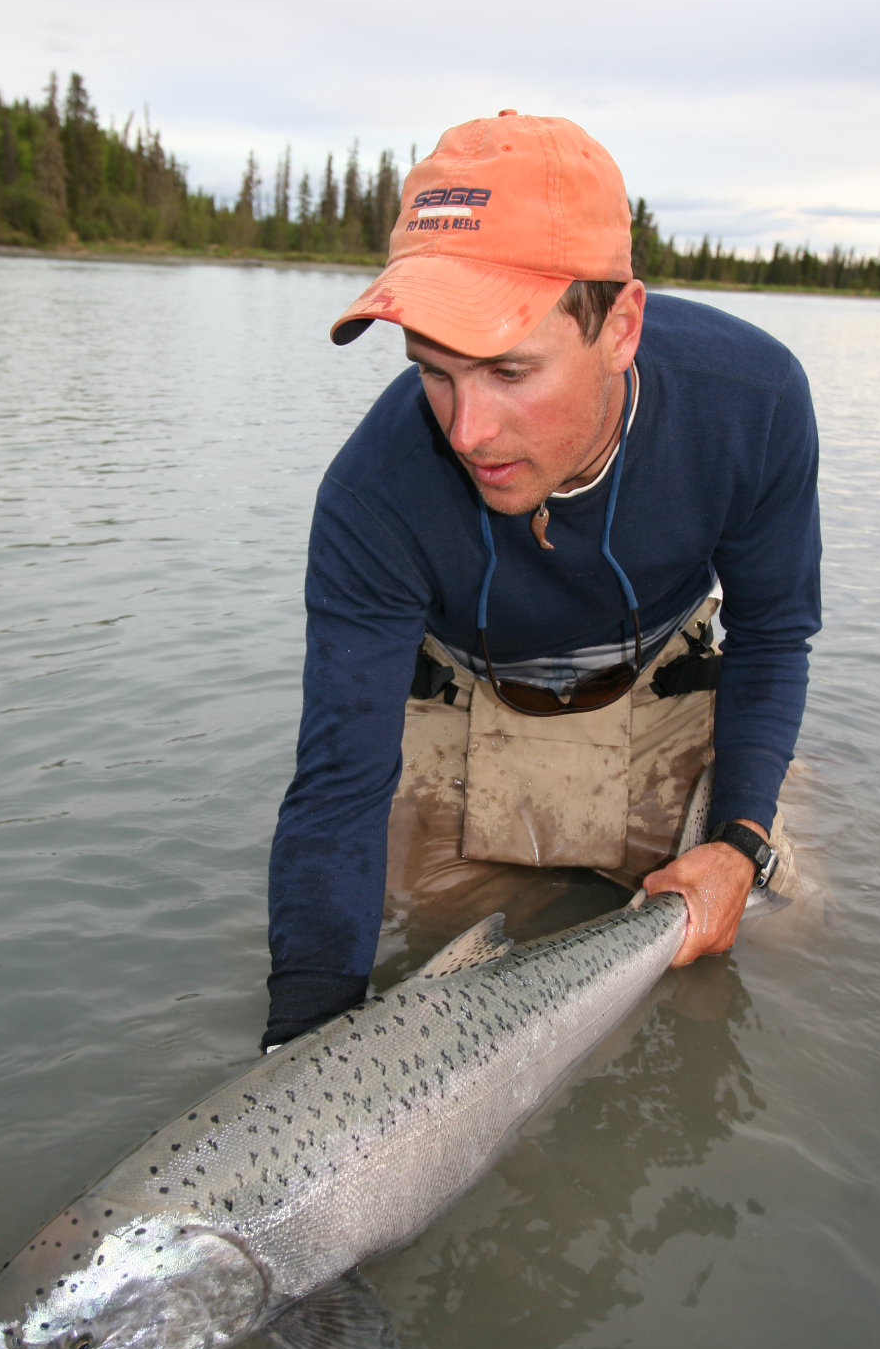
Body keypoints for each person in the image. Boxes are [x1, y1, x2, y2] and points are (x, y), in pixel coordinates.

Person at [263, 111, 821, 1051]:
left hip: (670, 696)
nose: (465, 430)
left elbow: (772, 637)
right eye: (434, 373)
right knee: (431, 959)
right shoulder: (371, 494)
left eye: (510, 369)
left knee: (788, 931)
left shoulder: (753, 405)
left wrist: (736, 841)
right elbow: (338, 787)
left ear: (621, 327)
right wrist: (303, 1048)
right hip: (470, 707)